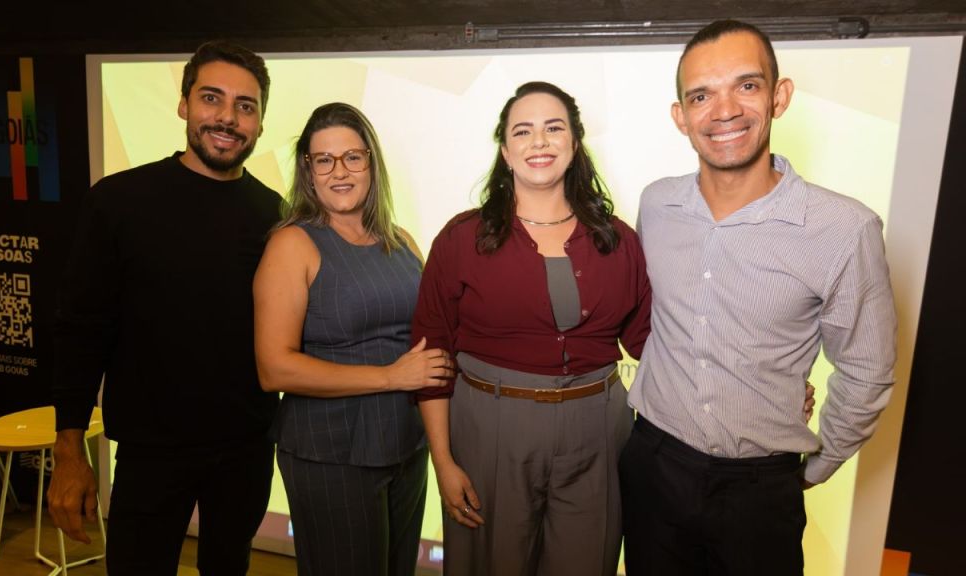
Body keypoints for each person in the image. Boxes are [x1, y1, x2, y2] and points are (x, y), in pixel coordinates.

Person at [621, 19, 897, 576]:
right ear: (681, 116)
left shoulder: (844, 228)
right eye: (702, 95)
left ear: (779, 96)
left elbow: (867, 373)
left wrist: (811, 466)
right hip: (653, 467)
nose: (723, 110)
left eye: (746, 86)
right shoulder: (656, 206)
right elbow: (654, 320)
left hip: (759, 491)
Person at [48, 40, 281, 574]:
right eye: (211, 98)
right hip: (150, 454)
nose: (227, 117)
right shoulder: (118, 201)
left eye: (245, 106)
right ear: (183, 104)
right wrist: (69, 450)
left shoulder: (273, 212)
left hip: (245, 450)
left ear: (261, 123)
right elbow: (81, 329)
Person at [413, 81, 652, 576]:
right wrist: (443, 460)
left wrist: (757, 385)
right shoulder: (461, 239)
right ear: (505, 150)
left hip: (597, 434)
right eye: (523, 131)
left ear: (575, 142)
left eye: (553, 128)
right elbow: (432, 354)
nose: (538, 142)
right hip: (490, 431)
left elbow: (656, 343)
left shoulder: (620, 241)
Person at [253, 102, 452, 576]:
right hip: (330, 451)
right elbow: (273, 369)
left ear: (371, 163)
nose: (339, 171)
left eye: (352, 157)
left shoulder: (401, 241)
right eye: (324, 160)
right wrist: (389, 376)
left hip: (405, 443)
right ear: (308, 171)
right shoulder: (293, 243)